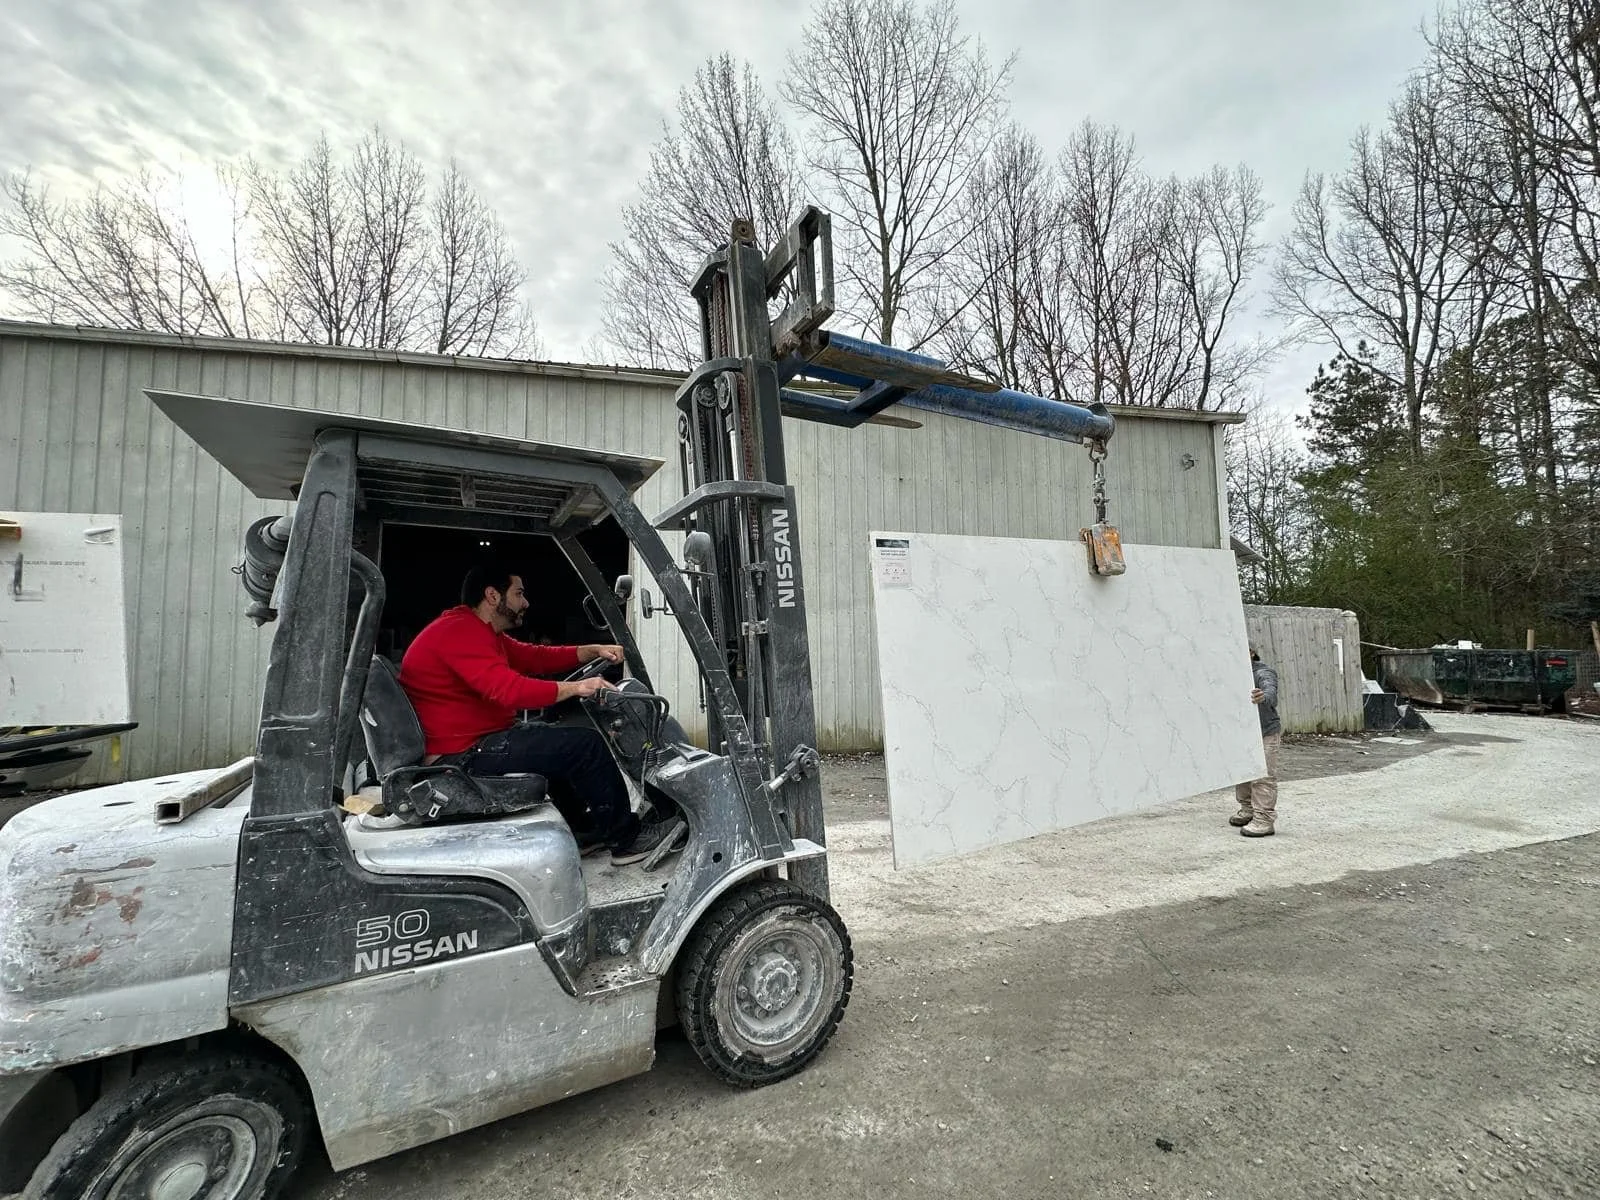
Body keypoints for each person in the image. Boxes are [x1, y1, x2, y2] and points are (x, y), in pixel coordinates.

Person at [398, 563, 680, 866]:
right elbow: (509, 691)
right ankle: (627, 841)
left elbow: (535, 657)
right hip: (460, 756)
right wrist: (577, 688)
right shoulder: (459, 632)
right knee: (585, 746)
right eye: (519, 593)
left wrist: (592, 649)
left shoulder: (480, 632)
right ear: (493, 596)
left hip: (473, 743)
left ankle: (584, 832)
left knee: (550, 739)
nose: (525, 602)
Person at [1231, 647, 1281, 838]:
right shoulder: (1234, 674)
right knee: (1242, 773)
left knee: (1263, 776)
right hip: (1243, 732)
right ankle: (1248, 809)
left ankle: (1264, 819)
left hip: (1265, 732)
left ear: (1251, 653)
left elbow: (1270, 692)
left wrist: (1263, 697)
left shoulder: (1263, 672)